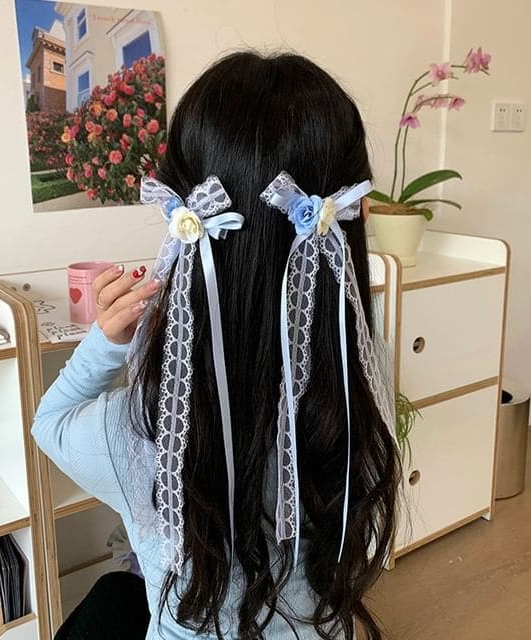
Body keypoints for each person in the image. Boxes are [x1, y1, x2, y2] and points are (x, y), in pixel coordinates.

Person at [32, 51, 400, 640]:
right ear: (349, 223)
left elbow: (49, 423)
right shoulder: (357, 398)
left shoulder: (135, 432)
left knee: (108, 600)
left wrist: (104, 345)